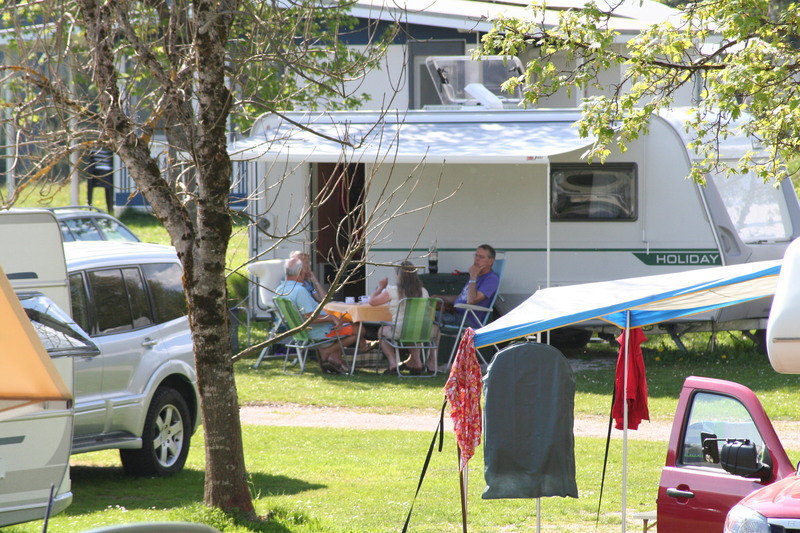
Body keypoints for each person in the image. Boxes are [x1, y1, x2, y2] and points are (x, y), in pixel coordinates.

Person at [276, 256, 371, 374]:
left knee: (344, 324)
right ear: (300, 272)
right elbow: (310, 317)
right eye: (304, 269)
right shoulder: (299, 291)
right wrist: (332, 318)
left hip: (299, 331)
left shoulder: (280, 289)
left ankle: (334, 360)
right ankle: (327, 352)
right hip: (318, 331)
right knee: (359, 329)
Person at [369, 261, 439, 375]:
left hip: (401, 330)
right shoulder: (423, 291)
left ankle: (393, 363)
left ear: (398, 275)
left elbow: (372, 302)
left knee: (381, 331)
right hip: (422, 330)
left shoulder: (393, 290)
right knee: (414, 331)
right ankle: (418, 363)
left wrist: (380, 287)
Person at [442, 244, 499, 328]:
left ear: (490, 261)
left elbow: (471, 301)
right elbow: (463, 298)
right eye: (476, 255)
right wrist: (441, 297)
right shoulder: (476, 275)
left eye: (481, 257)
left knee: (428, 317)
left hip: (468, 319)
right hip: (456, 313)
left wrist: (473, 277)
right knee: (429, 310)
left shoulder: (491, 279)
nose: (477, 259)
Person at [85, 147, 115, 213]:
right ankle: (89, 207)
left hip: (108, 171)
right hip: (96, 171)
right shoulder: (94, 149)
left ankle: (110, 209)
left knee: (109, 191)